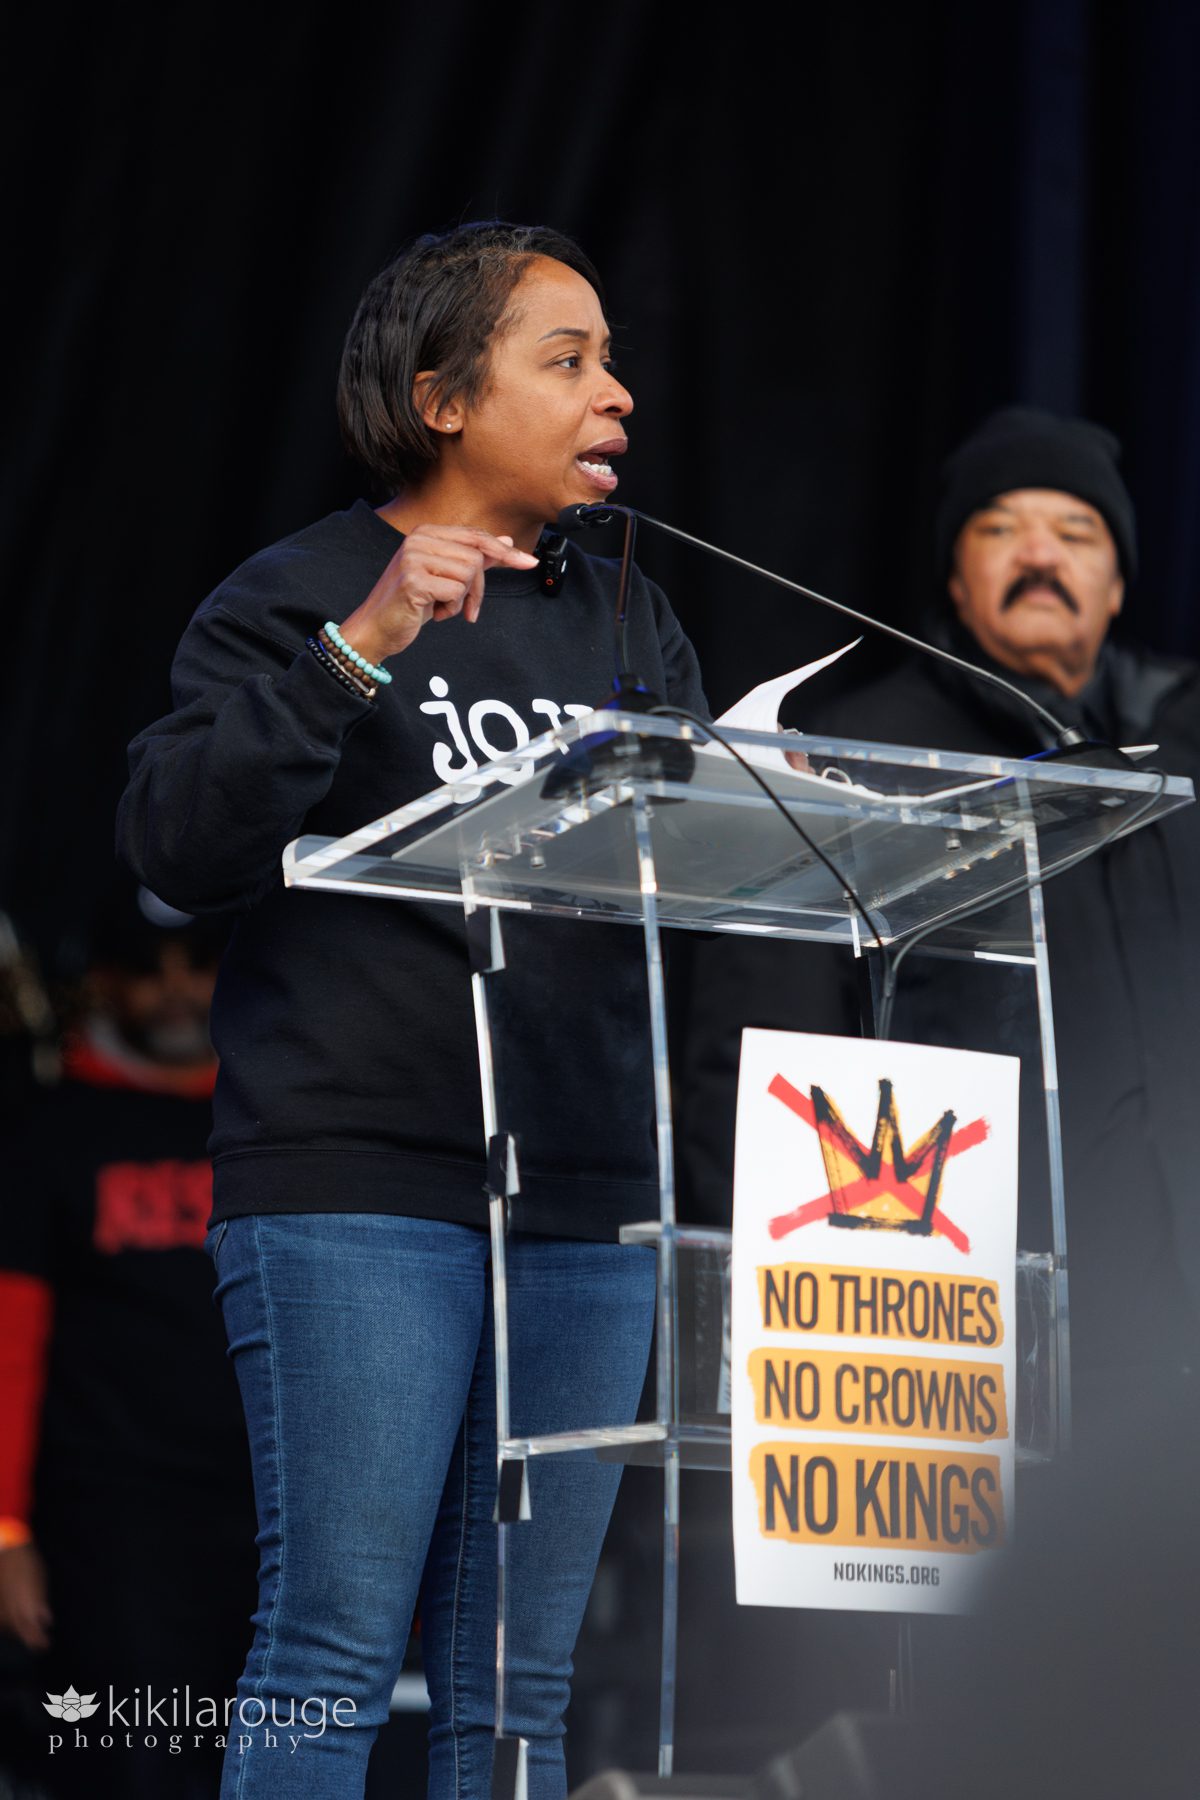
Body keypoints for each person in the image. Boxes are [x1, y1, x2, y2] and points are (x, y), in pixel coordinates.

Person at [116, 221, 706, 1800]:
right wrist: (357, 650)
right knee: (330, 1649)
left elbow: (695, 889)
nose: (618, 397)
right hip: (361, 1187)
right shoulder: (298, 593)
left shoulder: (630, 620)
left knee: (517, 1687)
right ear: (443, 396)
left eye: (609, 362)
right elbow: (175, 849)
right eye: (567, 363)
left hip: (585, 1207)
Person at [680, 406, 1200, 1429]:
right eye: (1001, 529)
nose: (1041, 554)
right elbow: (761, 1055)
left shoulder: (1179, 745)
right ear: (956, 579)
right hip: (953, 1315)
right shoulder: (855, 759)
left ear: (1120, 579)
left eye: (1077, 533)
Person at [0, 883, 256, 1800]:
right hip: (110, 1529)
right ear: (105, 983)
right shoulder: (47, 1130)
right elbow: (10, 1343)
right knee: (136, 1769)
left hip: (269, 1520)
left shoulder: (275, 1119)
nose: (178, 990)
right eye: (148, 973)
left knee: (273, 1764)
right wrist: (6, 1530)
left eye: (197, 965)